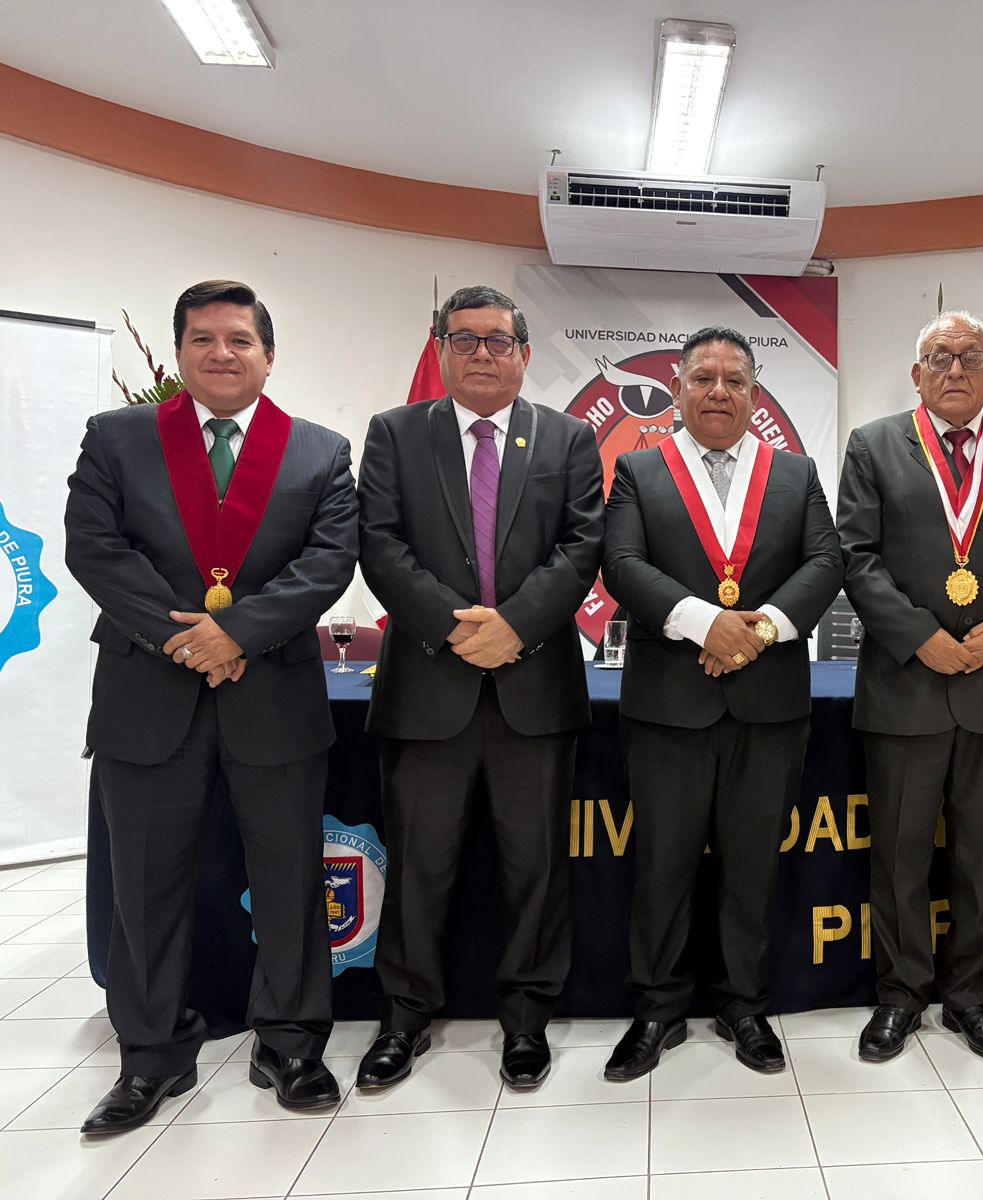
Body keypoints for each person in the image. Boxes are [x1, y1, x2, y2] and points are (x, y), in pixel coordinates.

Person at [64, 279, 357, 1133]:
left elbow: (328, 561)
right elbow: (94, 547)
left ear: (269, 354)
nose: (220, 353)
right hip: (148, 695)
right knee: (146, 887)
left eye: (239, 339)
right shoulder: (117, 439)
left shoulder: (319, 451)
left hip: (274, 695)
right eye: (202, 339)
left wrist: (241, 634)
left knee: (291, 878)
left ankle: (292, 1044)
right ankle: (151, 1057)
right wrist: (187, 637)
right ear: (181, 349)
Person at [355, 285, 604, 1091]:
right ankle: (405, 1016)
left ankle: (527, 1019)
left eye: (500, 341)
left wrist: (516, 626)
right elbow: (380, 543)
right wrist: (457, 627)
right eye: (466, 340)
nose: (484, 353)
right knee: (420, 865)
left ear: (525, 355)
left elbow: (581, 545)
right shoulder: (397, 433)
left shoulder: (567, 438)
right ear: (441, 351)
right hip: (431, 686)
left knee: (535, 867)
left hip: (535, 691)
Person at [601, 325, 841, 1080]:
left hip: (768, 707)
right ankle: (657, 1010)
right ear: (676, 390)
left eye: (735, 380)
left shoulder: (795, 472)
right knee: (662, 865)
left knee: (752, 866)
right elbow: (621, 563)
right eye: (703, 378)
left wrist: (759, 629)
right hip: (669, 705)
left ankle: (745, 1005)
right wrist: (709, 624)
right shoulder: (640, 469)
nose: (718, 392)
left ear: (754, 393)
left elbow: (826, 560)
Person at [837, 311, 983, 1063]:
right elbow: (856, 556)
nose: (954, 368)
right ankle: (900, 996)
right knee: (901, 858)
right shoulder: (874, 445)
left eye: (970, 356)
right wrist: (920, 638)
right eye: (938, 357)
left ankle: (971, 997)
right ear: (916, 374)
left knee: (981, 858)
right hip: (907, 683)